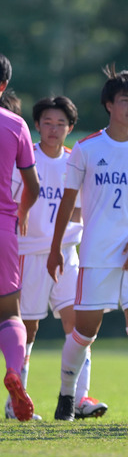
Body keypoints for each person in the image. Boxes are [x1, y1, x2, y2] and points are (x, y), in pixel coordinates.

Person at [47, 65, 128, 422]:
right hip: (96, 252)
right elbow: (67, 202)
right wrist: (55, 249)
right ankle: (67, 396)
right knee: (85, 331)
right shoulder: (86, 148)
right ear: (109, 104)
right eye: (126, 100)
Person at [8, 96, 108, 421]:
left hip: (67, 253)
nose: (54, 129)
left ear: (71, 128)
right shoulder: (25, 159)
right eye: (48, 123)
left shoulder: (74, 161)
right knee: (28, 328)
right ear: (36, 125)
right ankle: (16, 402)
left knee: (78, 324)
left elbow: (83, 207)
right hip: (30, 253)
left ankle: (79, 398)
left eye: (61, 124)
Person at [0, 52, 38, 422]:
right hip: (3, 226)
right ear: (4, 85)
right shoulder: (15, 125)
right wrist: (21, 212)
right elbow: (32, 185)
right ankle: (13, 370)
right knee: (9, 312)